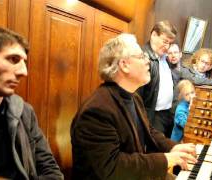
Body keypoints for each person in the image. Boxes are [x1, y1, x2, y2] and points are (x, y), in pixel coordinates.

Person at [70, 34, 197, 180]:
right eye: (142, 56)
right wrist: (166, 159)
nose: (148, 60)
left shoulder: (134, 96)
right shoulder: (97, 110)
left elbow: (148, 130)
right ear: (124, 65)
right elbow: (112, 167)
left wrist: (172, 147)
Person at [0, 27, 63, 179]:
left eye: (24, 62)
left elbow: (52, 172)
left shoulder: (24, 112)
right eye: (13, 59)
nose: (24, 72)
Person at [139, 20, 177, 138]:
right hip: (153, 117)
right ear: (154, 35)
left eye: (170, 43)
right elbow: (137, 95)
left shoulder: (164, 57)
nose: (167, 47)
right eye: (165, 42)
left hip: (167, 114)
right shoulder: (143, 57)